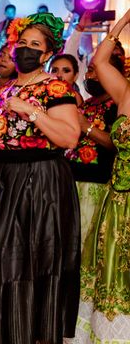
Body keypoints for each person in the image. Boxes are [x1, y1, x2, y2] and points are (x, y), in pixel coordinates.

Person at [0, 13, 81, 344]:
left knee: (22, 256)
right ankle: (4, 330)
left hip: (37, 180)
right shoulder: (7, 88)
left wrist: (33, 113)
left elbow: (69, 138)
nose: (26, 49)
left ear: (47, 53)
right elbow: (0, 141)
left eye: (35, 45)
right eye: (22, 43)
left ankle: (26, 342)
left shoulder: (55, 88)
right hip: (2, 177)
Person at [72, 7, 130, 344]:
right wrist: (123, 21)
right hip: (120, 197)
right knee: (109, 265)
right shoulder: (124, 92)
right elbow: (99, 60)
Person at [64, 56, 122, 247]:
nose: (91, 75)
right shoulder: (87, 104)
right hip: (73, 182)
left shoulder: (119, 106)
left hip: (98, 186)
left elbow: (118, 144)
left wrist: (87, 127)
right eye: (89, 70)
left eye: (95, 70)